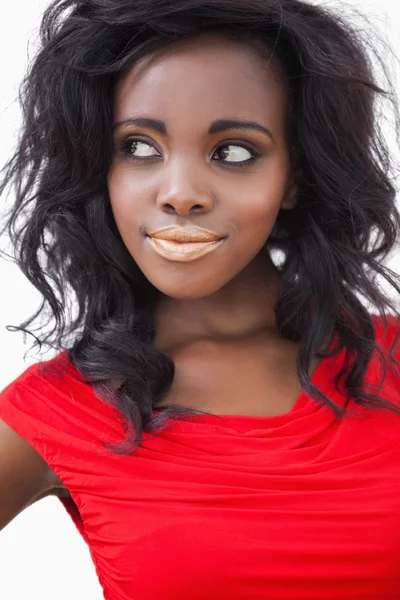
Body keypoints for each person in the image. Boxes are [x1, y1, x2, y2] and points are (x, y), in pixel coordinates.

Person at [1, 0, 400, 597]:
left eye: (234, 152)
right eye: (137, 147)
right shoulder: (57, 412)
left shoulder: (392, 360)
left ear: (295, 175)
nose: (181, 193)